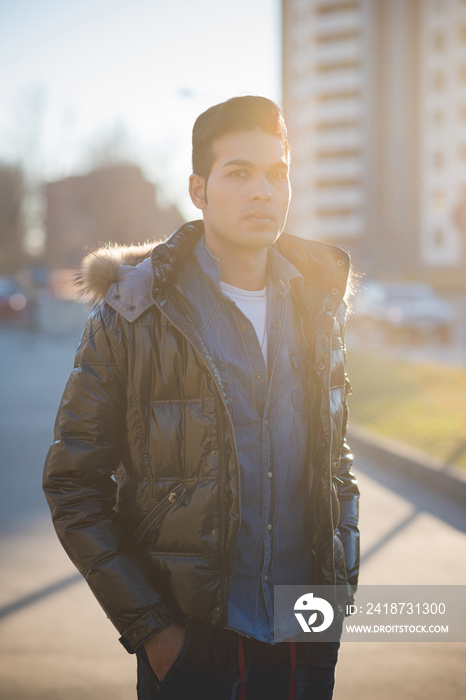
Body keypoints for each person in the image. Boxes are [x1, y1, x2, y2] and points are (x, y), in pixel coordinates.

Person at [43, 95, 359, 699]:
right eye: (238, 173)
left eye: (277, 173)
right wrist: (155, 632)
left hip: (304, 634)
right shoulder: (134, 314)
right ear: (199, 189)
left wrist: (337, 595)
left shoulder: (319, 310)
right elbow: (72, 484)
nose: (263, 191)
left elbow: (335, 465)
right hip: (192, 640)